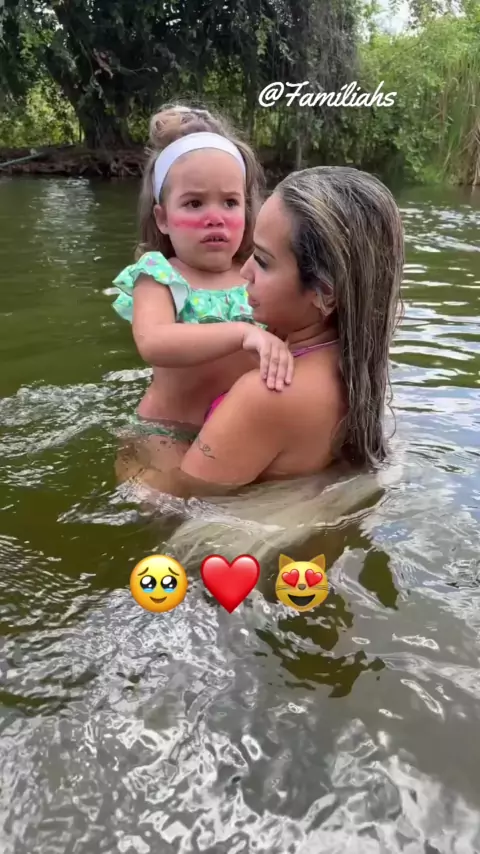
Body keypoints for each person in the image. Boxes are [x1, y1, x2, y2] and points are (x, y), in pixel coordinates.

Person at [152, 164, 403, 490]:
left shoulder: (266, 394)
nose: (245, 272)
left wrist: (145, 437)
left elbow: (172, 502)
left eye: (263, 260)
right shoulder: (356, 371)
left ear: (325, 293)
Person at [111, 104, 294, 458]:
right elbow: (154, 341)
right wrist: (242, 333)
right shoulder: (159, 274)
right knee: (159, 492)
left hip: (239, 431)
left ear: (247, 210)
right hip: (167, 431)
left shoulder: (255, 274)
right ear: (163, 218)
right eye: (194, 204)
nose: (215, 217)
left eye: (230, 202)